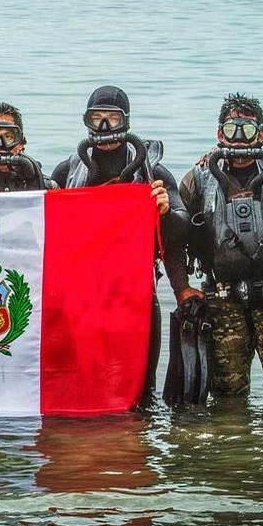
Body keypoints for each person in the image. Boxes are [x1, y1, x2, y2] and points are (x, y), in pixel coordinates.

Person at [177, 93, 263, 400]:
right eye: (230, 129)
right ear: (218, 134)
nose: (239, 138)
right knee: (226, 395)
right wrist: (182, 287)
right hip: (222, 299)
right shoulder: (198, 179)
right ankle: (232, 447)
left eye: (248, 130)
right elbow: (175, 231)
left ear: (261, 134)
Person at [50, 85, 186, 391]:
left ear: (126, 122)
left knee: (140, 385)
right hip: (80, 297)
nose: (103, 127)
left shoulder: (152, 171)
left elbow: (181, 231)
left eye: (112, 118)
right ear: (85, 121)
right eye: (96, 118)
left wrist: (163, 212)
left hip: (135, 294)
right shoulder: (67, 172)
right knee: (77, 381)